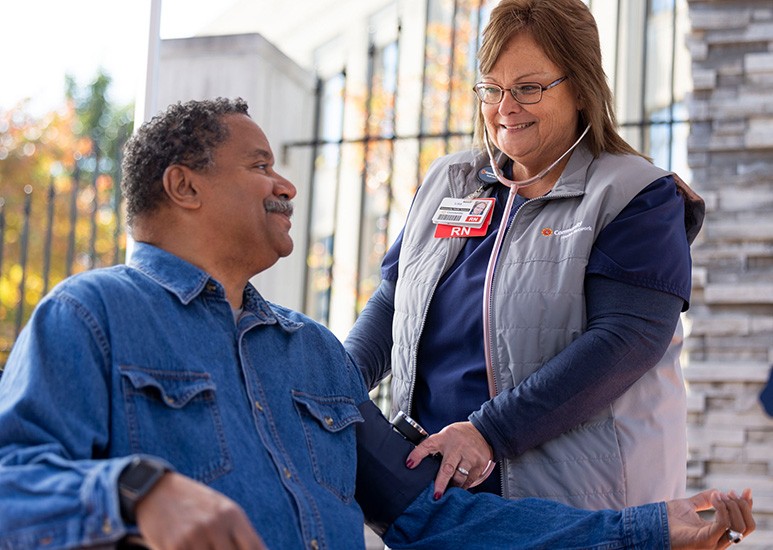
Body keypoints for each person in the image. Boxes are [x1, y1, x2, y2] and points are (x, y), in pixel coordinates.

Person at [0, 98, 753, 550]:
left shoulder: (310, 355)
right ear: (183, 185)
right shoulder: (90, 316)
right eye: (259, 165)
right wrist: (136, 491)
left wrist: (648, 529)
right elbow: (12, 484)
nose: (286, 183)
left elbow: (442, 521)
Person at [346, 0, 706, 509]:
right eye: (492, 89)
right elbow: (391, 302)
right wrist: (332, 386)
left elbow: (626, 340)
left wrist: (488, 433)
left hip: (577, 508)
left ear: (581, 88)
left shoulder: (635, 195)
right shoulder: (450, 182)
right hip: (435, 495)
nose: (505, 108)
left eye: (528, 88)